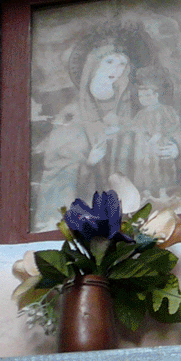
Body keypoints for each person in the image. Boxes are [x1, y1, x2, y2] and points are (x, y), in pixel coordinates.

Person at [31, 21, 153, 231]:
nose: (116, 69)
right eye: (109, 61)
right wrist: (88, 163)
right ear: (93, 65)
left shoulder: (132, 107)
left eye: (122, 64)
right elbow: (57, 171)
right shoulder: (73, 115)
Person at [129, 65, 181, 201]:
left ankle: (163, 192)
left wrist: (159, 135)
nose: (144, 98)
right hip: (144, 147)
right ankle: (147, 192)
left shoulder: (166, 110)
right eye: (141, 96)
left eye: (148, 95)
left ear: (156, 94)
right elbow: (134, 127)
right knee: (145, 168)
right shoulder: (141, 114)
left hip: (160, 144)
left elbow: (172, 124)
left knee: (162, 168)